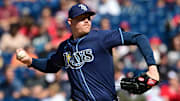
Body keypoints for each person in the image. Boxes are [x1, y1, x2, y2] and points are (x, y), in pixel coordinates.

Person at [16, 3, 160, 101]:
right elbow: (51, 66)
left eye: (88, 18)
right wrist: (31, 61)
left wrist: (152, 67)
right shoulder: (65, 47)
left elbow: (138, 38)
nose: (86, 21)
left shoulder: (101, 37)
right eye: (81, 18)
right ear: (70, 22)